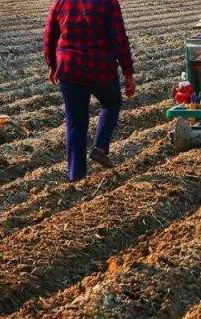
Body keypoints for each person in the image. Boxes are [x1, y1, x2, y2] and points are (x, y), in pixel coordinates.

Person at [43, 0, 136, 182]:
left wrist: (52, 64)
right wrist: (128, 72)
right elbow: (119, 37)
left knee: (75, 121)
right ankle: (100, 147)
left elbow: (49, 34)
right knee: (111, 104)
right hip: (101, 68)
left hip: (70, 68)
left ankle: (76, 176)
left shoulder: (61, 2)